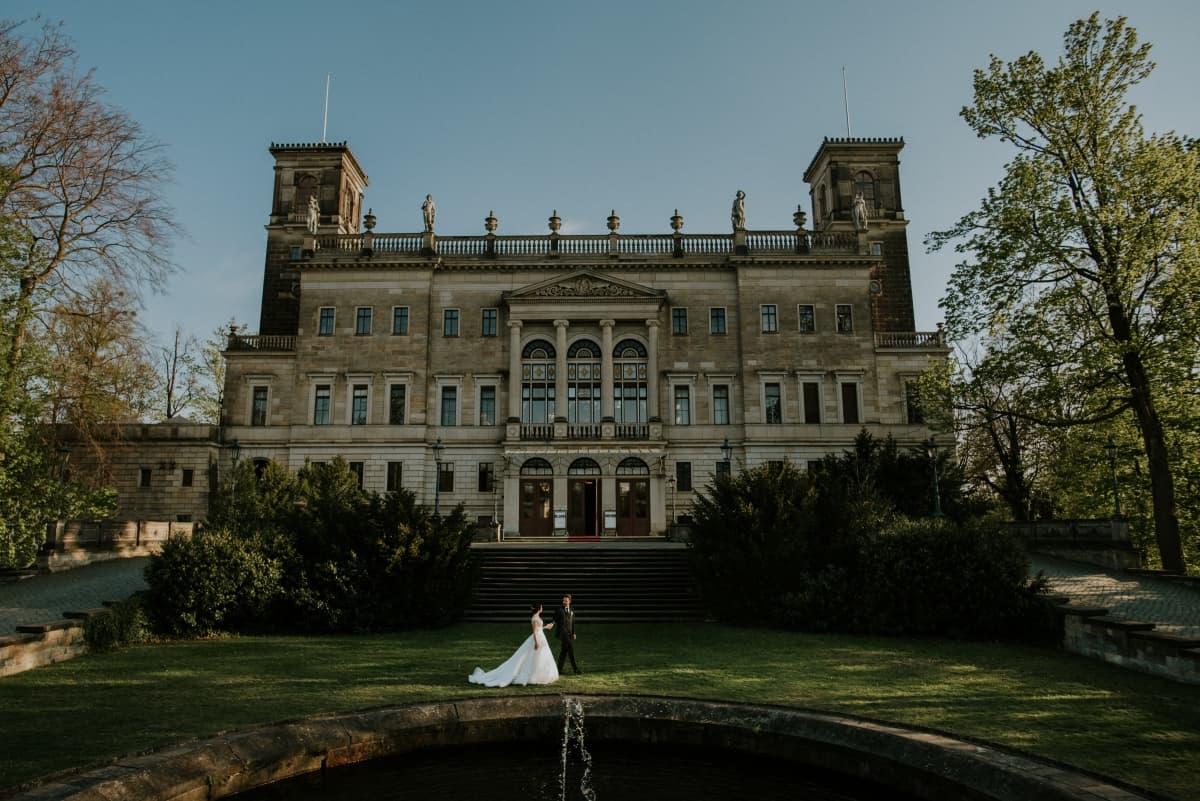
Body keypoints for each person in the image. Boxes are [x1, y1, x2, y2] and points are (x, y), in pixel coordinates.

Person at [468, 603, 558, 687]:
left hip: (541, 636)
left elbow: (538, 628)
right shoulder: (534, 618)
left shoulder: (537, 617)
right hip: (537, 638)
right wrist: (536, 642)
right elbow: (534, 631)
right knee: (532, 656)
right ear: (539, 609)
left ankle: (541, 674)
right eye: (541, 607)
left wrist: (546, 627)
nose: (542, 608)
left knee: (541, 656)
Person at [553, 593, 580, 674]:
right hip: (562, 633)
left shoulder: (572, 609)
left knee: (564, 651)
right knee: (570, 649)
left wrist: (573, 632)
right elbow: (554, 618)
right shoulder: (559, 609)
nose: (564, 602)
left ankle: (558, 669)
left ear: (570, 601)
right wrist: (552, 623)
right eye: (563, 600)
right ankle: (575, 669)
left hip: (569, 633)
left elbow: (572, 622)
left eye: (566, 601)